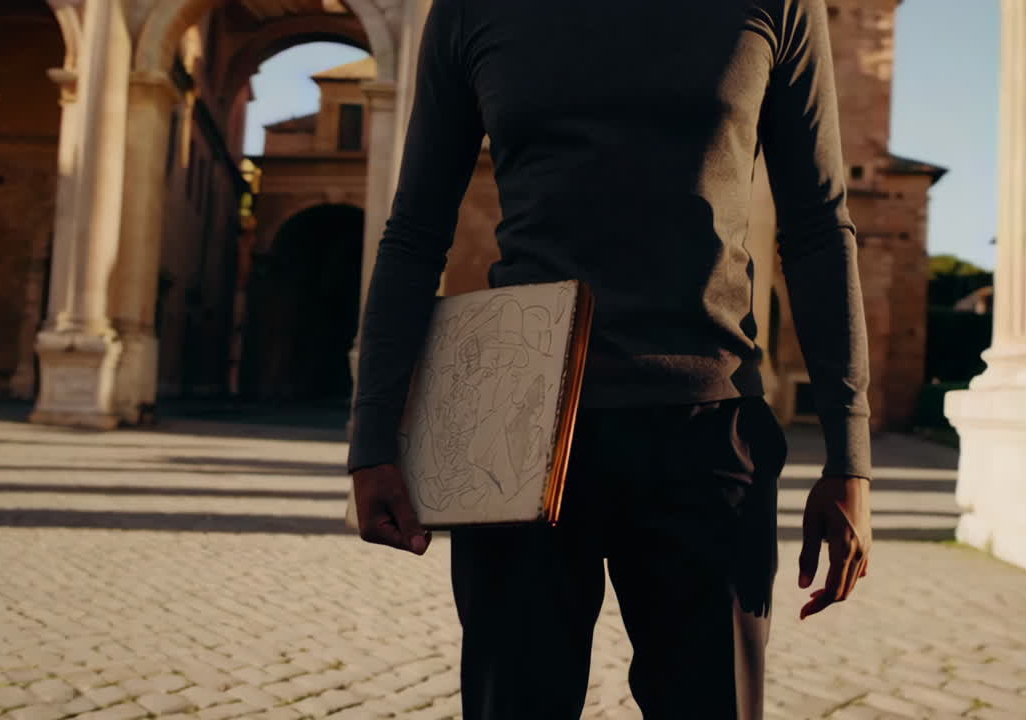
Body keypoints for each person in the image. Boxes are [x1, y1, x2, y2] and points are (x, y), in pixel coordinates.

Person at [347, 0, 873, 717]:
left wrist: (850, 459)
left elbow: (817, 228)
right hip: (513, 433)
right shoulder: (469, 9)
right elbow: (414, 232)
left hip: (710, 433)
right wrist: (373, 440)